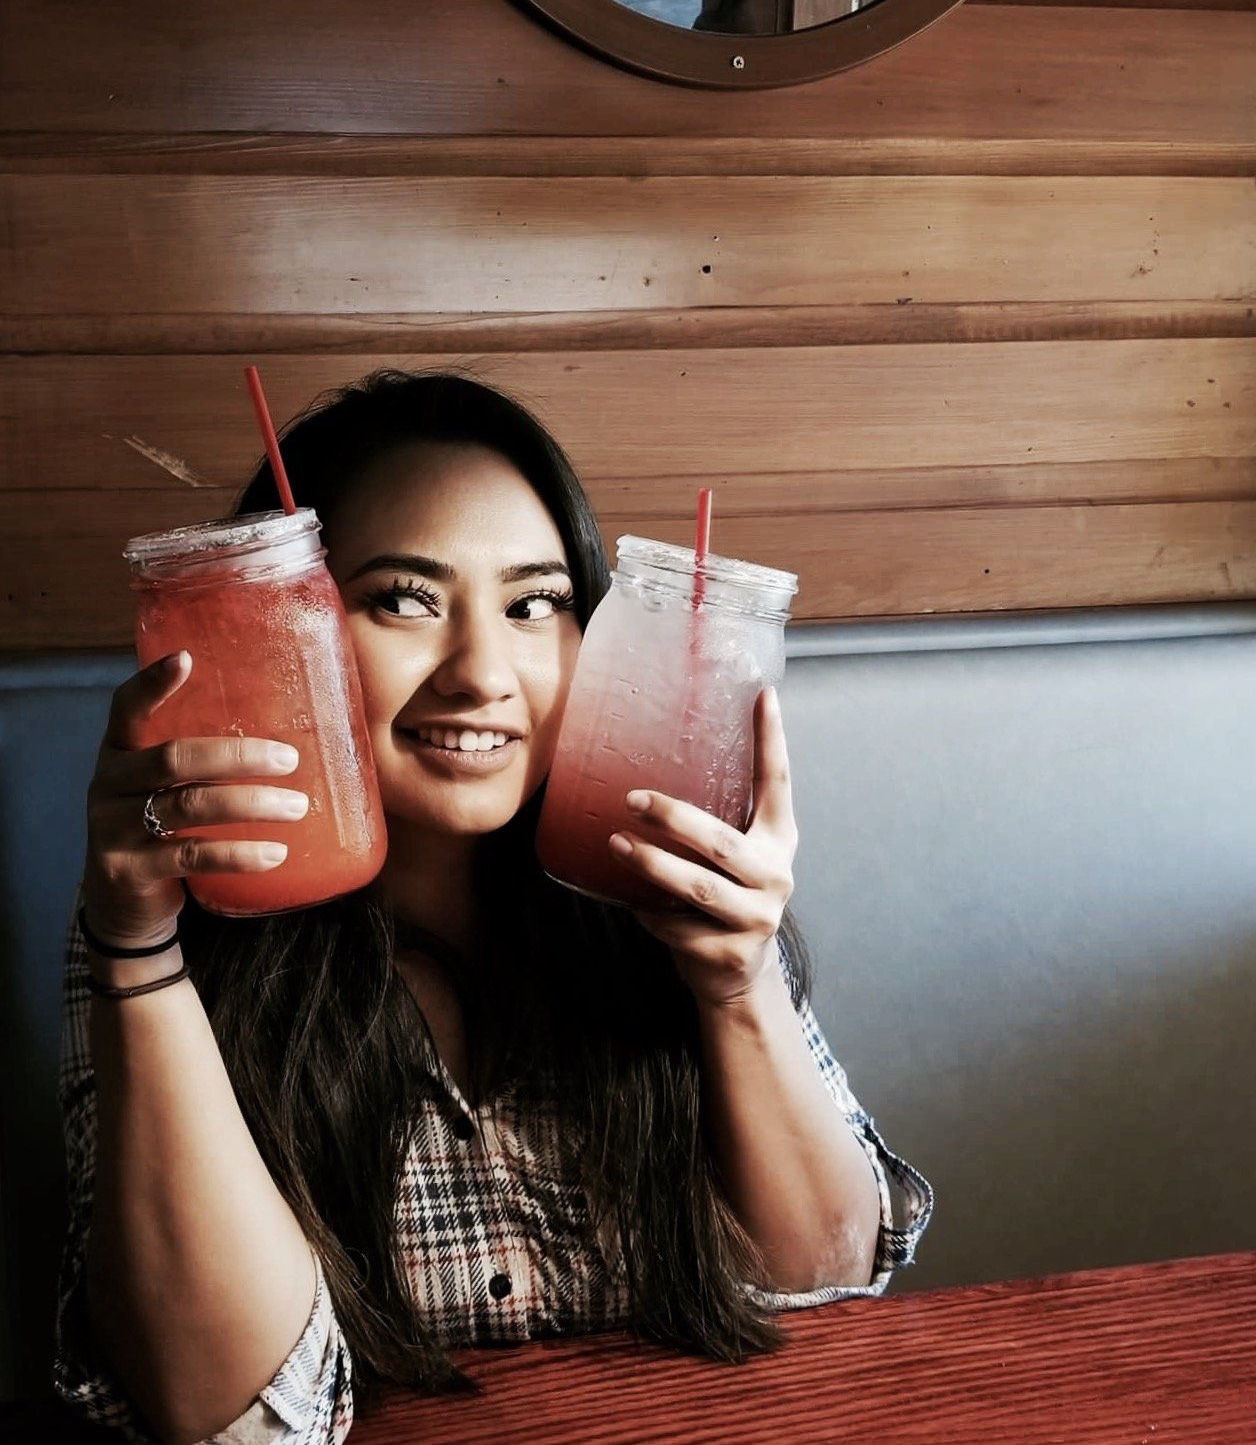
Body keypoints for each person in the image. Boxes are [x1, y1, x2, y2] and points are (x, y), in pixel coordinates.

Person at [54, 369, 933, 1444]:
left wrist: (738, 980)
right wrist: (138, 952)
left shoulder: (670, 887)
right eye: (403, 599)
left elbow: (827, 1295)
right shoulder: (172, 937)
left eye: (535, 604)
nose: (482, 673)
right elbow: (243, 1418)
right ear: (278, 624)